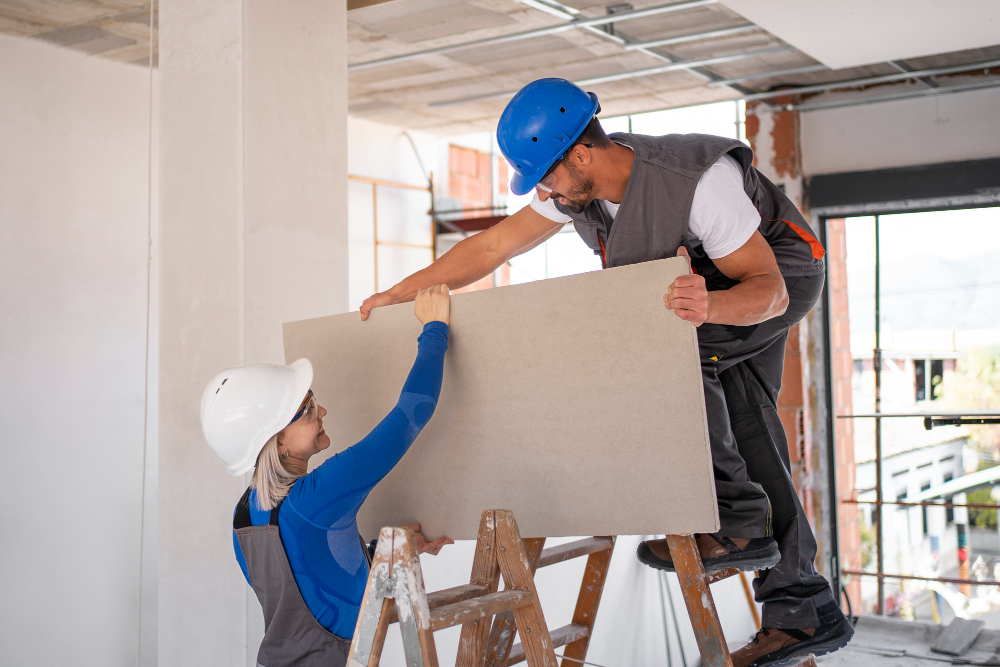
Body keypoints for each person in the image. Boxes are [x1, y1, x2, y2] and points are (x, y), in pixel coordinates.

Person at [360, 79, 852, 666]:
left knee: (663, 354)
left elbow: (769, 291)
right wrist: (400, 292)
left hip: (776, 278)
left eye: (547, 176)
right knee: (748, 424)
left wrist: (712, 308)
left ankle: (742, 522)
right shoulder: (576, 190)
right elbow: (493, 247)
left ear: (581, 154)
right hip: (707, 285)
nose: (544, 191)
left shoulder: (697, 185)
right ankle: (803, 607)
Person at [200, 285, 454, 667]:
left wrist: (386, 555)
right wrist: (435, 329)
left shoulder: (244, 518)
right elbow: (412, 413)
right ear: (277, 442)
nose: (322, 411)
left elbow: (313, 582)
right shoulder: (316, 498)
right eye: (307, 410)